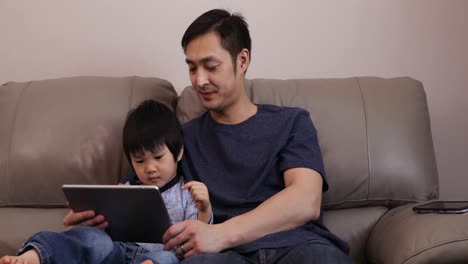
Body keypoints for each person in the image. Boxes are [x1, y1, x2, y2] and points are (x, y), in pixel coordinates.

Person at [0, 100, 212, 264]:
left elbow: (198, 238)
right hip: (117, 251)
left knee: (167, 259)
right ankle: (36, 255)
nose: (150, 168)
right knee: (93, 239)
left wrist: (204, 209)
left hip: (158, 256)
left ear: (178, 152)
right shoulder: (124, 191)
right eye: (139, 161)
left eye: (158, 158)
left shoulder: (187, 192)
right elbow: (102, 231)